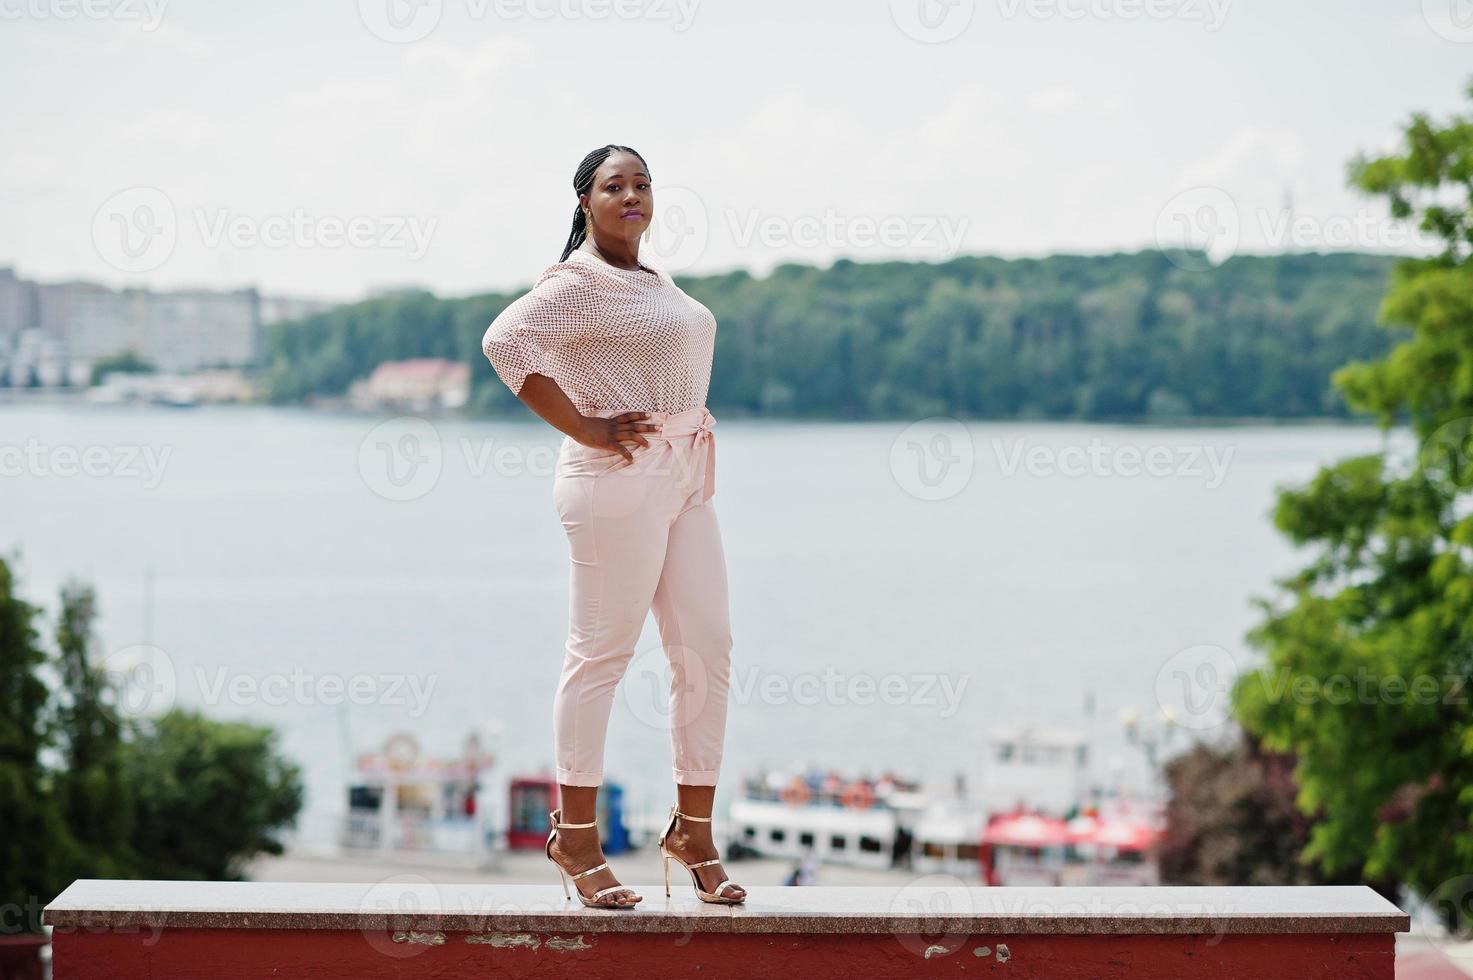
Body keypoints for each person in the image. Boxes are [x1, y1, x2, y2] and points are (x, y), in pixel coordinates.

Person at [481, 144, 744, 910]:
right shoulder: (576, 283)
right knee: (600, 656)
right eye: (613, 185)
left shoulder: (649, 279)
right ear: (584, 203)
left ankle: (692, 830)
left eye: (641, 184)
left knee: (707, 648)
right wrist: (586, 427)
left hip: (685, 471)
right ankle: (577, 838)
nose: (631, 195)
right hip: (617, 481)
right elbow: (505, 344)